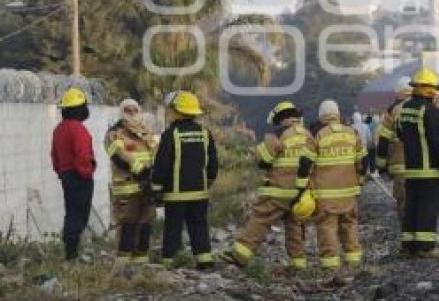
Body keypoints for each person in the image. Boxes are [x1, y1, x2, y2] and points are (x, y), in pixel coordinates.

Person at [221, 101, 316, 271]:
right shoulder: (308, 136)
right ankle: (299, 265)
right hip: (300, 193)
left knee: (260, 220)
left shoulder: (278, 134)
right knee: (294, 225)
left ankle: (240, 255)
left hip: (277, 191)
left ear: (281, 119)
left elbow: (263, 160)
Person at [151, 91, 218, 270]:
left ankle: (169, 262)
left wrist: (156, 188)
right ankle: (204, 261)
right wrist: (209, 181)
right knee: (199, 227)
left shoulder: (170, 134)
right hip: (200, 193)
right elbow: (213, 163)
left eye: (170, 109)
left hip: (175, 195)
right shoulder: (205, 133)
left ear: (177, 111)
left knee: (173, 228)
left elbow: (161, 164)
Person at [396, 69, 439, 259]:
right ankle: (426, 247)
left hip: (411, 169)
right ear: (429, 90)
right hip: (429, 170)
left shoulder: (404, 109)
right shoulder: (430, 111)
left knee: (411, 206)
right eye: (435, 89)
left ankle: (408, 246)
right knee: (428, 208)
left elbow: (400, 134)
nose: (436, 92)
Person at [311, 100, 366, 283]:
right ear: (338, 113)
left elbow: (308, 164)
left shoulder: (319, 136)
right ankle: (354, 262)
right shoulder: (352, 133)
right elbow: (362, 163)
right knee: (349, 225)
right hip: (349, 192)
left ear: (321, 116)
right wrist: (360, 181)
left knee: (327, 228)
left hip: (326, 195)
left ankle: (331, 266)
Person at [104, 98, 158, 263]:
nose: (132, 114)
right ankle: (122, 265)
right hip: (126, 187)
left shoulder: (145, 132)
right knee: (128, 224)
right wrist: (141, 171)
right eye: (128, 111)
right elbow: (118, 158)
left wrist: (154, 175)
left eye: (135, 110)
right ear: (121, 112)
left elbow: (155, 154)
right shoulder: (114, 133)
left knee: (145, 223)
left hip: (145, 186)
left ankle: (141, 263)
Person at [51, 88, 96, 261]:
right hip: (79, 177)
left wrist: (61, 172)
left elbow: (54, 155)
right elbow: (83, 155)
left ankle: (70, 251)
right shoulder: (78, 129)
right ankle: (72, 254)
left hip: (67, 176)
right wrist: (86, 173)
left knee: (71, 212)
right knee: (79, 214)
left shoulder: (59, 129)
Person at [376, 76, 411, 223]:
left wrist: (381, 165)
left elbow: (383, 139)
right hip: (424, 165)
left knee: (402, 200)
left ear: (398, 93)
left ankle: (407, 232)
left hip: (400, 164)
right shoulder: (426, 106)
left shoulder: (393, 111)